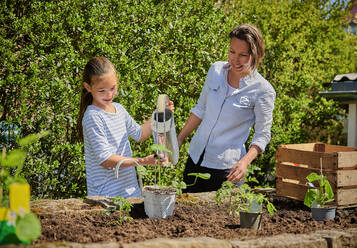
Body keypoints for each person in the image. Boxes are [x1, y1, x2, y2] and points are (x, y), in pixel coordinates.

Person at [177, 24, 276, 193]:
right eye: (232, 52)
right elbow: (200, 109)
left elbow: (262, 134)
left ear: (256, 55)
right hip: (195, 158)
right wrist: (179, 139)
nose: (235, 60)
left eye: (243, 55)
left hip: (226, 170)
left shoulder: (263, 90)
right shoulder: (215, 70)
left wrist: (244, 162)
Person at [77, 56, 173, 198]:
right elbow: (105, 159)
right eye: (101, 90)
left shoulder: (119, 109)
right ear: (88, 87)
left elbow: (139, 134)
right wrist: (142, 161)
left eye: (112, 88)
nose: (109, 94)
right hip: (106, 197)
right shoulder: (93, 117)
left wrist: (161, 113)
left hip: (130, 191)